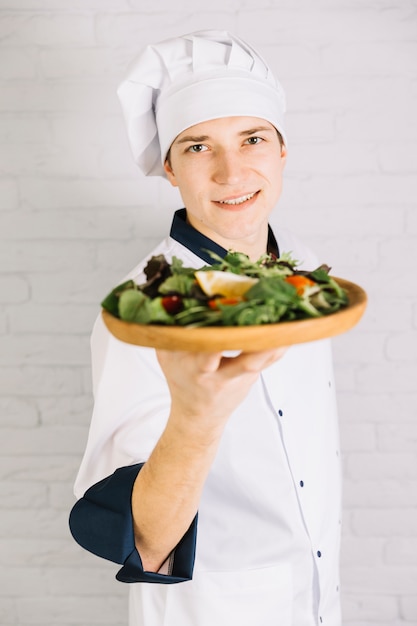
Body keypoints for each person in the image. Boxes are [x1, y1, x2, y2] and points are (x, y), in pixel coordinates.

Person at [69, 30, 342, 626]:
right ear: (168, 168)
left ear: (282, 150)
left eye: (252, 139)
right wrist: (197, 418)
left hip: (318, 596)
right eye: (197, 147)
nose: (231, 171)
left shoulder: (301, 263)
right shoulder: (144, 309)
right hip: (215, 608)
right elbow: (142, 536)